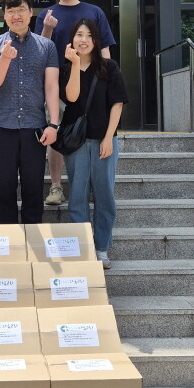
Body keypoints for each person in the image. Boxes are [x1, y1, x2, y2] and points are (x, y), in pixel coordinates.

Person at [35, 0, 117, 207]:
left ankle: (90, 186)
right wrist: (47, 28)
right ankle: (56, 186)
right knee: (57, 133)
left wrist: (107, 80)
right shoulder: (47, 14)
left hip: (92, 85)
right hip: (57, 85)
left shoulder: (95, 12)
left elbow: (104, 48)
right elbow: (39, 50)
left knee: (92, 133)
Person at [0, 0, 60, 224]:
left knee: (33, 187)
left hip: (34, 126)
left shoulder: (47, 46)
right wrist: (5, 58)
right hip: (1, 126)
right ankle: (8, 239)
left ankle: (32, 237)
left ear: (31, 12)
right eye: (11, 11)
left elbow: (51, 86)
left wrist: (53, 124)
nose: (16, 16)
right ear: (4, 15)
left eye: (21, 10)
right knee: (4, 187)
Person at [59, 18, 129, 270]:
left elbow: (117, 104)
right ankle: (82, 248)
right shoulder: (66, 68)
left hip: (104, 140)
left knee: (104, 195)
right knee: (77, 195)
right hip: (76, 142)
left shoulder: (109, 67)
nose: (84, 40)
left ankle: (101, 248)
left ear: (97, 40)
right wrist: (76, 64)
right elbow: (72, 97)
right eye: (79, 34)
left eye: (89, 35)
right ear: (72, 39)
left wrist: (109, 138)